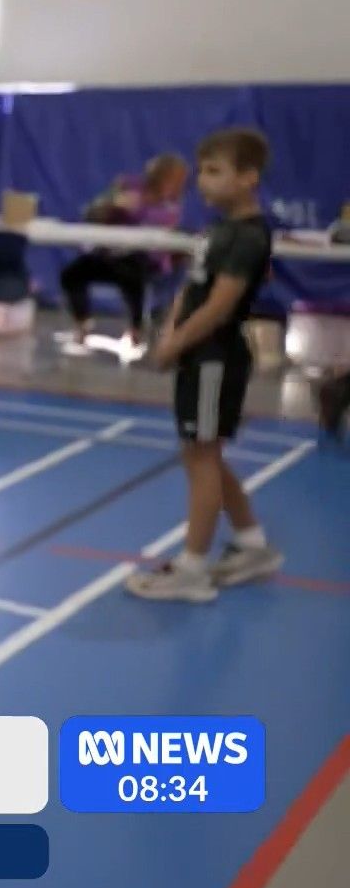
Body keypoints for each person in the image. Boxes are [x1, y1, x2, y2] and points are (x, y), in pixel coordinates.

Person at [129, 128, 281, 602]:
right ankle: (252, 545)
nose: (202, 181)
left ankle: (192, 568)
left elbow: (218, 306)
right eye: (202, 171)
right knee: (201, 453)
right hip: (196, 354)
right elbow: (190, 291)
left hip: (216, 357)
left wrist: (175, 345)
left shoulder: (249, 237)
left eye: (215, 171)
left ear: (248, 178)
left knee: (202, 457)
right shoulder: (216, 231)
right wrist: (169, 334)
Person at [59, 153, 188, 347]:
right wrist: (110, 204)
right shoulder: (128, 185)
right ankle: (82, 323)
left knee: (132, 276)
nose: (176, 184)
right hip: (107, 253)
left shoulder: (171, 206)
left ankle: (136, 330)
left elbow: (158, 230)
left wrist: (135, 209)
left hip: (143, 260)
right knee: (72, 274)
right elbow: (92, 213)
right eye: (172, 178)